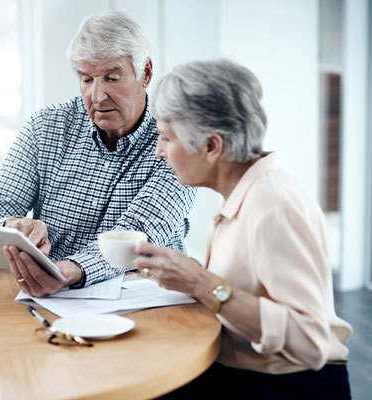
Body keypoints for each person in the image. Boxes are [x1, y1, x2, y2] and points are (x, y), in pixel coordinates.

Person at [134, 59, 352, 399]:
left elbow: (311, 342)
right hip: (246, 374)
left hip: (288, 387)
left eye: (165, 138)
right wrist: (189, 274)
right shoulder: (241, 194)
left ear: (211, 146)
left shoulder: (273, 207)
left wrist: (202, 283)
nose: (159, 152)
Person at [0, 11, 195, 296]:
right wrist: (11, 229)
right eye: (86, 80)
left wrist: (70, 271)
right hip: (51, 300)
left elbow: (136, 239)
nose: (97, 96)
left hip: (147, 303)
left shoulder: (175, 138)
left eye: (111, 78)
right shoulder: (46, 128)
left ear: (145, 73)